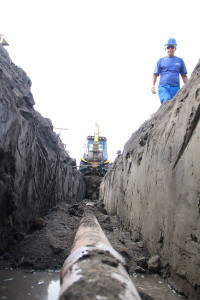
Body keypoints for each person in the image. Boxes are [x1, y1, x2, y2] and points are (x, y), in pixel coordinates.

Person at [151, 38, 188, 104]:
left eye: (172, 47)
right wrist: (153, 85)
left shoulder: (180, 60)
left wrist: (188, 86)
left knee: (175, 104)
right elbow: (155, 74)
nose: (170, 49)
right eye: (168, 47)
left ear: (175, 49)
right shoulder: (161, 61)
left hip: (176, 88)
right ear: (165, 49)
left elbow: (184, 76)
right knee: (166, 100)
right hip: (164, 87)